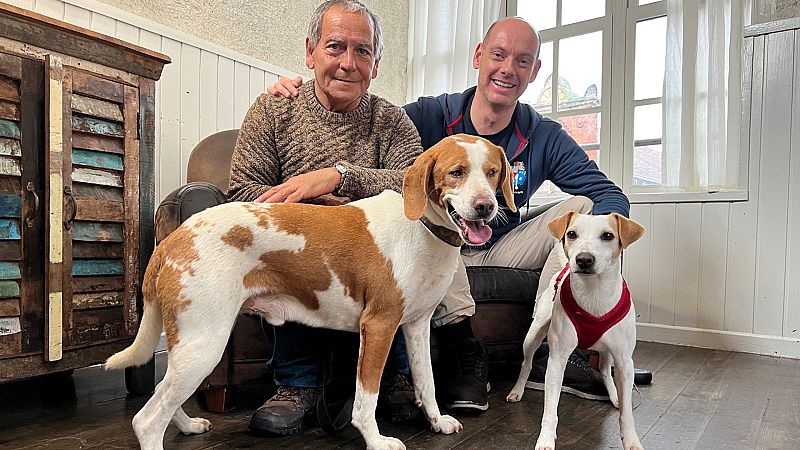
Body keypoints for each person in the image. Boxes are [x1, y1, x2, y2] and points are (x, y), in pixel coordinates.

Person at [268, 17, 633, 413]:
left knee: (579, 211)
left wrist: (604, 247)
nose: (508, 69)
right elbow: (362, 118)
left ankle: (558, 345)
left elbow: (608, 195)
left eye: (522, 61)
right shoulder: (426, 114)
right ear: (478, 56)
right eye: (498, 54)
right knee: (440, 226)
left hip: (501, 240)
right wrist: (299, 94)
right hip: (440, 238)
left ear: (535, 71)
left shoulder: (544, 135)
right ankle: (465, 351)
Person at [228, 0, 423, 436]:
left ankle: (393, 377)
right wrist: (318, 221)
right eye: (335, 47)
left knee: (406, 256)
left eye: (363, 51)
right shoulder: (273, 110)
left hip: (375, 270)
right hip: (300, 266)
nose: (348, 63)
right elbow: (242, 194)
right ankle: (298, 383)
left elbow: (413, 188)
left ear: (376, 64)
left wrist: (338, 176)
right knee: (292, 252)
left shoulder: (393, 122)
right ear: (310, 51)